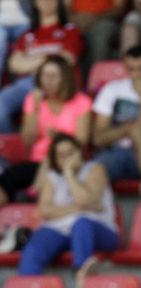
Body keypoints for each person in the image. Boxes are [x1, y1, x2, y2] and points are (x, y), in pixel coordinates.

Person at [18, 134, 119, 284]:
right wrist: (78, 208)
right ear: (55, 160)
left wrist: (70, 176)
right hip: (59, 229)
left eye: (71, 152)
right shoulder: (52, 176)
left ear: (80, 152)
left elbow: (85, 200)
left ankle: (81, 272)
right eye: (61, 156)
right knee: (34, 247)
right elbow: (44, 211)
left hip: (100, 229)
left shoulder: (95, 169)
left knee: (81, 222)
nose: (67, 159)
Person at [0, 53, 89, 204]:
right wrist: (35, 109)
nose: (48, 81)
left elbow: (82, 141)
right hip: (36, 162)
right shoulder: (32, 99)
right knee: (10, 177)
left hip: (68, 163)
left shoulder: (81, 101)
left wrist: (59, 138)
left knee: (52, 155)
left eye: (53, 76)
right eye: (44, 76)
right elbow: (27, 141)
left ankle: (32, 194)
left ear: (65, 78)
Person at [90, 45, 141, 196]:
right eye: (131, 69)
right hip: (116, 153)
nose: (137, 74)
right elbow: (99, 139)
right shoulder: (111, 90)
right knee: (94, 171)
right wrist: (127, 129)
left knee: (137, 130)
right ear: (125, 68)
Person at [0, 0, 81, 134]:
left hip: (58, 79)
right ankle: (12, 146)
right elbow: (14, 64)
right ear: (35, 3)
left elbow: (67, 59)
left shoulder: (69, 29)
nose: (46, 2)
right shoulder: (27, 34)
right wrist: (48, 58)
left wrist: (30, 62)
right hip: (27, 83)